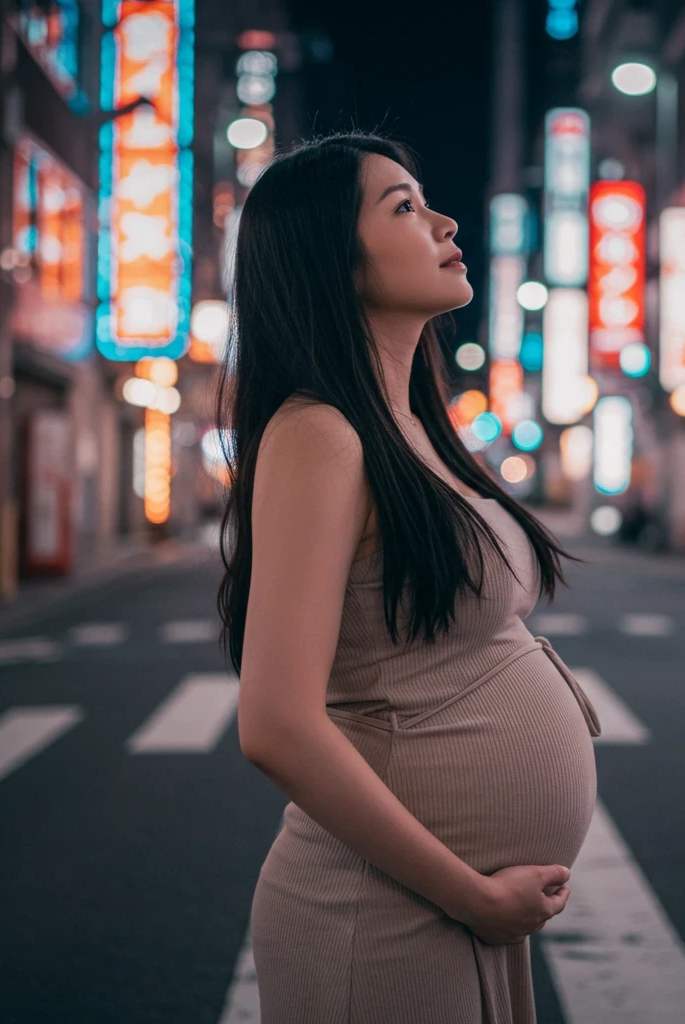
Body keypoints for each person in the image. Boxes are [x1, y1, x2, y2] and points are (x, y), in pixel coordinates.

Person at [214, 131, 602, 1023]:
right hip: (385, 914)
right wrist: (471, 896)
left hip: (442, 908)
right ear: (335, 263)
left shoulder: (405, 429)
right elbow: (275, 724)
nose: (445, 220)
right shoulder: (321, 434)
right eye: (404, 207)